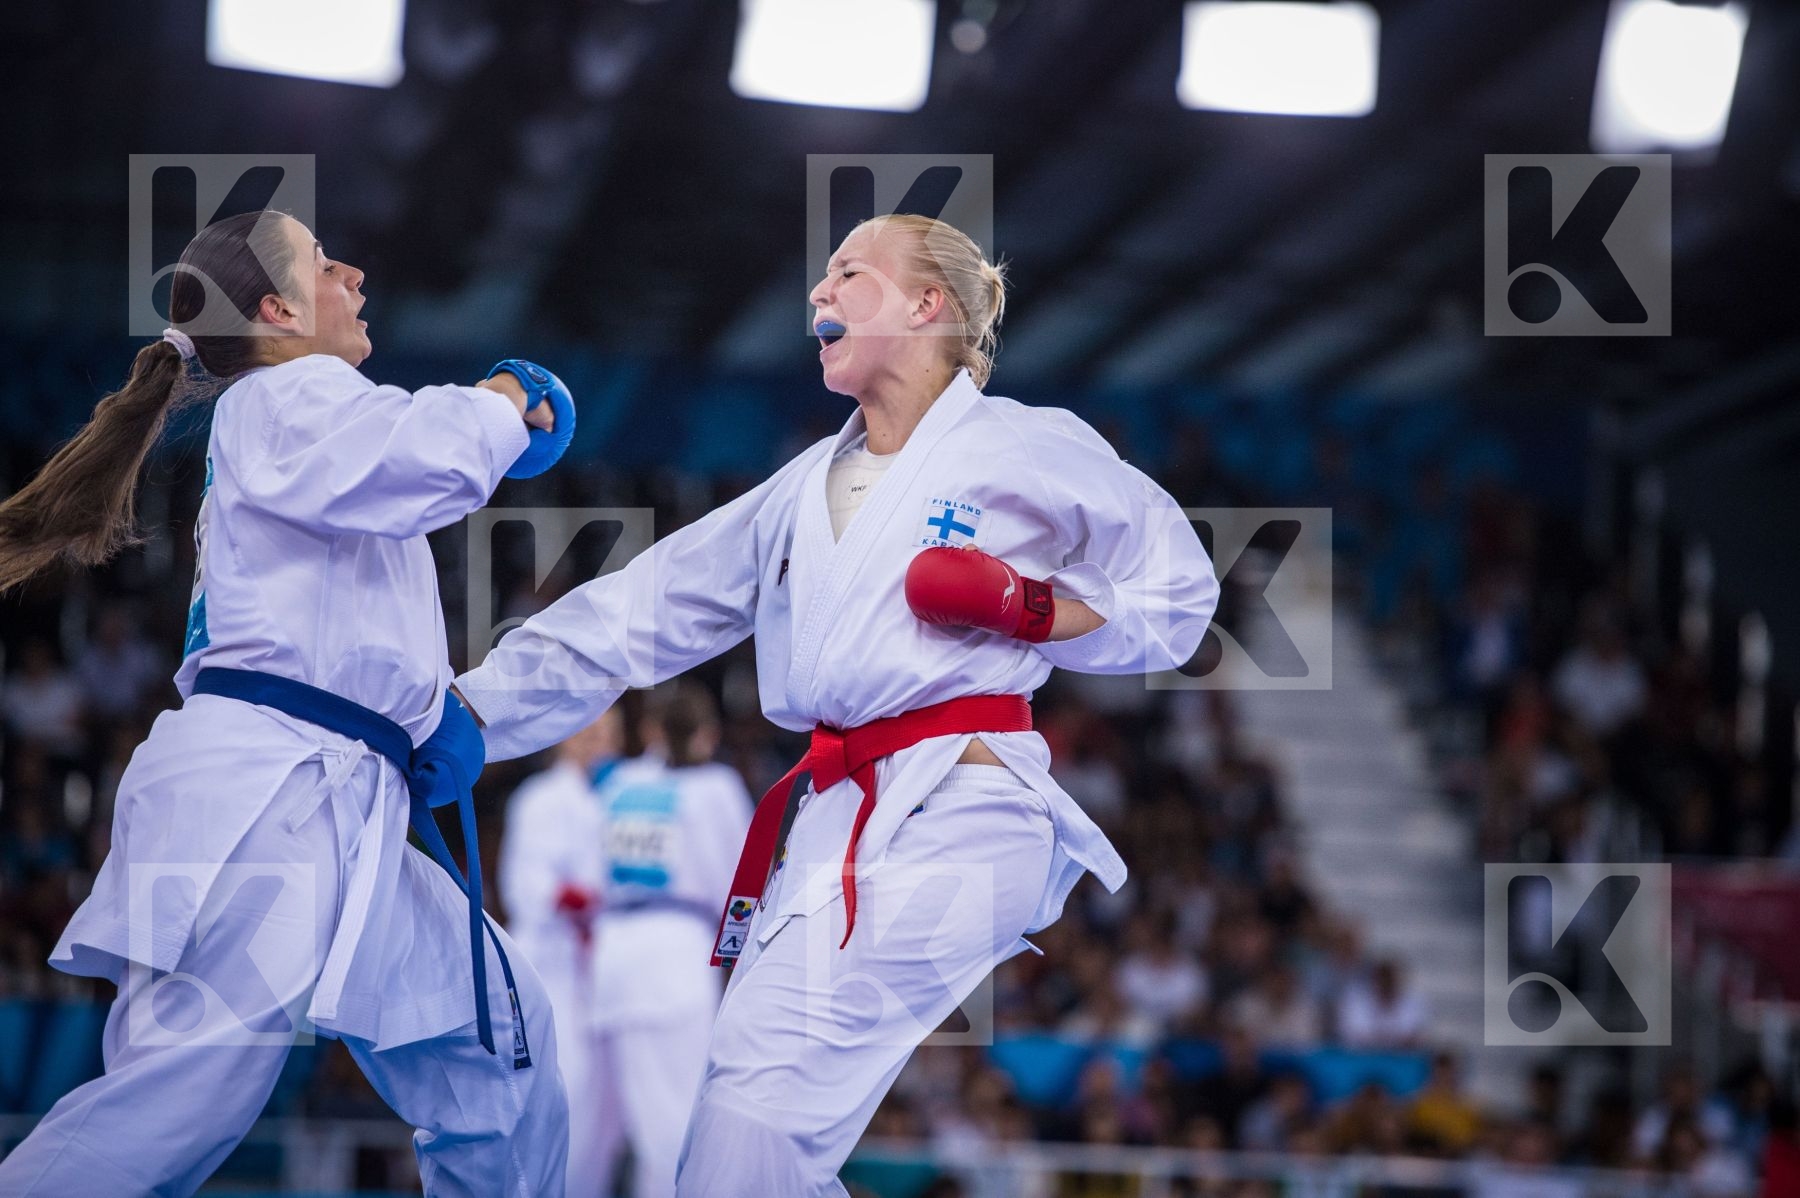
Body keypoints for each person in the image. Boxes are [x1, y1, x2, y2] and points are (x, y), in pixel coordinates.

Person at [453, 213, 1218, 1195]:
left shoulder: (1026, 445)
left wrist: (1037, 609)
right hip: (830, 826)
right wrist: (471, 714)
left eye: (848, 273)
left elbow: (1183, 594)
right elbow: (637, 609)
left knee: (759, 1102)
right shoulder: (802, 489)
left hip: (967, 810)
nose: (817, 295)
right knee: (731, 1133)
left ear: (924, 305)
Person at [0, 208, 570, 1197]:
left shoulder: (307, 425)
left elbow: (342, 615)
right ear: (275, 309)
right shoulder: (288, 394)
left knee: (496, 1040)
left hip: (333, 793)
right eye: (323, 262)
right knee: (180, 1100)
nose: (352, 271)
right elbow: (425, 457)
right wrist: (502, 396)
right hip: (268, 798)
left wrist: (426, 718)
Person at [584, 683, 754, 1198]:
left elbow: (592, 874)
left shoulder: (615, 785)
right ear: (709, 734)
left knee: (611, 1124)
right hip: (678, 951)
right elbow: (743, 883)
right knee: (675, 1120)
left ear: (651, 731)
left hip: (613, 953)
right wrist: (743, 961)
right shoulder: (718, 787)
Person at [498, 710, 622, 1198]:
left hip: (599, 969)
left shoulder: (612, 800)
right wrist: (587, 900)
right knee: (555, 1094)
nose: (599, 743)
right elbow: (526, 886)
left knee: (600, 1111)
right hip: (547, 965)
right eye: (589, 732)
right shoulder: (542, 798)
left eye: (609, 735)